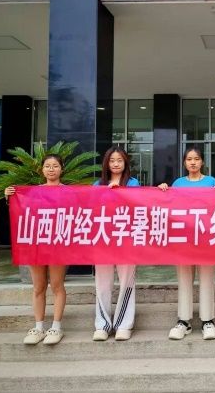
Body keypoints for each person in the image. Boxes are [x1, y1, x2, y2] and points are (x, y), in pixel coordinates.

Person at [158, 147, 215, 341]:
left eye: (196, 159)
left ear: (202, 162)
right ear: (185, 163)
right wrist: (163, 191)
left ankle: (207, 321)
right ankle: (183, 321)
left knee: (207, 279)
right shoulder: (178, 183)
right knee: (184, 279)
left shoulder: (211, 182)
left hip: (206, 238)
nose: (193, 162)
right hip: (184, 239)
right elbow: (169, 207)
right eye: (189, 159)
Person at [4, 154, 67, 345]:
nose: (51, 169)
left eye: (55, 166)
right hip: (36, 244)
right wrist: (10, 196)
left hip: (58, 244)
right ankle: (38, 327)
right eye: (47, 166)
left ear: (61, 169)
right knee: (38, 286)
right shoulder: (32, 192)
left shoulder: (69, 192)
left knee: (57, 285)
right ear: (42, 169)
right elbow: (22, 211)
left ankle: (56, 327)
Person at [92, 146, 140, 341]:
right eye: (112, 160)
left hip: (127, 238)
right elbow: (91, 208)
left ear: (125, 162)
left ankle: (123, 324)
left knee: (127, 281)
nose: (116, 164)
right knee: (102, 283)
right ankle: (102, 324)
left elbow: (137, 206)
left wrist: (120, 192)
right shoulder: (97, 184)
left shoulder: (133, 183)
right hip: (103, 238)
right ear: (106, 163)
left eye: (119, 160)